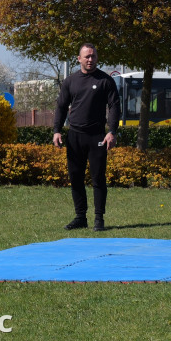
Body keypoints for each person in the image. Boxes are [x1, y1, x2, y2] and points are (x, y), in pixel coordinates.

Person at [53, 43, 120, 232]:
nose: (90, 59)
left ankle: (99, 219)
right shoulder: (70, 81)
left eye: (93, 56)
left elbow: (114, 106)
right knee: (75, 178)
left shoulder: (105, 81)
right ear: (79, 59)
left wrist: (111, 131)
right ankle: (80, 217)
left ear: (97, 58)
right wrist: (57, 130)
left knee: (98, 178)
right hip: (75, 136)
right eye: (87, 56)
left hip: (97, 136)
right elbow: (60, 106)